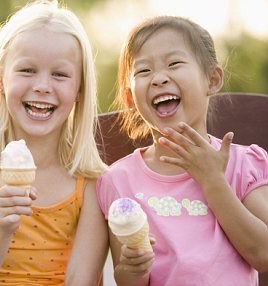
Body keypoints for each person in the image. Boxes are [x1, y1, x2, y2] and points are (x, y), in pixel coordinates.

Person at [96, 16, 268, 286]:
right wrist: (132, 269)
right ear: (131, 98)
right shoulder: (119, 180)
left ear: (212, 80)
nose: (159, 79)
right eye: (143, 71)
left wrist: (213, 182)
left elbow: (263, 254)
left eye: (174, 64)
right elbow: (128, 280)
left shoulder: (243, 164)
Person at [0, 1, 109, 285]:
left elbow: (80, 280)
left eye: (59, 74)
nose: (43, 86)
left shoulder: (94, 181)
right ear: (0, 79)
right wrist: (1, 227)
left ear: (80, 88)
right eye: (27, 70)